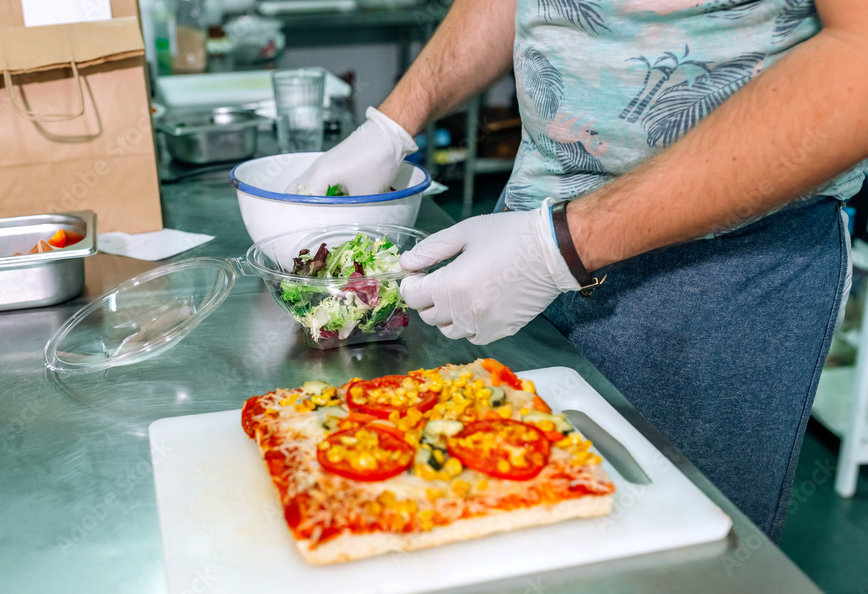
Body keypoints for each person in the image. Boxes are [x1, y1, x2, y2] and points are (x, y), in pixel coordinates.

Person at [290, 0, 868, 541]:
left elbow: (857, 63)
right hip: (522, 228)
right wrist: (392, 123)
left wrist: (561, 245)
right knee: (490, 518)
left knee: (672, 566)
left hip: (718, 272)